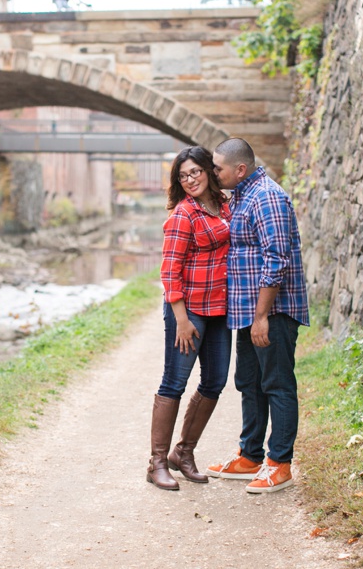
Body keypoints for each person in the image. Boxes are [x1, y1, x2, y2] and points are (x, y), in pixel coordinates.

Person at [206, 137, 309, 494]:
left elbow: (276, 260)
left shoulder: (267, 197)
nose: (212, 173)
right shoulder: (241, 195)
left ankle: (279, 464)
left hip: (272, 312)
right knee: (248, 382)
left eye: (217, 168)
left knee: (277, 384)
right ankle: (251, 455)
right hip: (249, 312)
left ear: (240, 169)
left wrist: (262, 315)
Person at [148, 146, 232, 491]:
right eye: (183, 176)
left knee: (215, 381)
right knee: (174, 382)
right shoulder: (184, 214)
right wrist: (181, 320)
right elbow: (170, 272)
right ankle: (156, 463)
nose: (190, 180)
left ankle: (183, 453)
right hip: (189, 311)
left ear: (209, 171)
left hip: (220, 310)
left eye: (195, 171)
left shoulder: (226, 205)